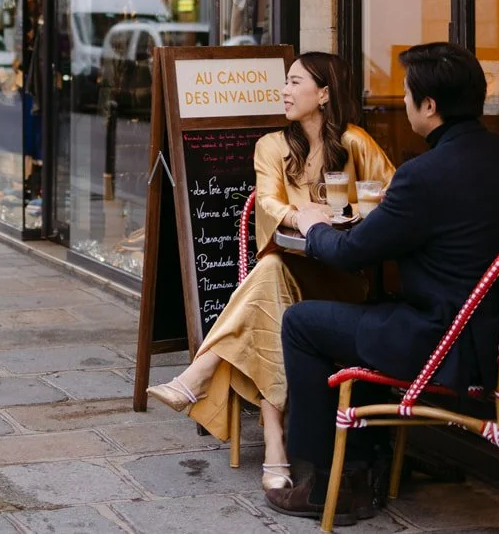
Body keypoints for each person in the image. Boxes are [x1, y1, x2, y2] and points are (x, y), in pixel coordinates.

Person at [269, 42, 499, 521]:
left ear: (429, 106)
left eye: (407, 94)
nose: (405, 102)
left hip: (446, 342)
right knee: (373, 316)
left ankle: (328, 480)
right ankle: (366, 462)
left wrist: (312, 228)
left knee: (301, 322)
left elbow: (352, 250)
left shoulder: (424, 175)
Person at [146, 53, 394, 495]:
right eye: (285, 81)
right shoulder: (271, 146)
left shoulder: (355, 142)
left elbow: (391, 195)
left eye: (295, 82)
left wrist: (351, 216)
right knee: (275, 277)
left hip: (342, 278)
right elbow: (268, 204)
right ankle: (275, 442)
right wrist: (305, 218)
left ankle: (199, 376)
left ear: (323, 94)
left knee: (269, 278)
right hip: (291, 269)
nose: (284, 90)